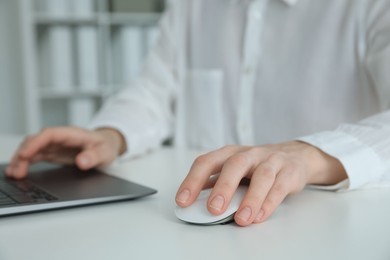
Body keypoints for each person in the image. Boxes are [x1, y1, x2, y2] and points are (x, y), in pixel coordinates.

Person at [6, 0, 390, 227]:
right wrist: (110, 135)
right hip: (186, 228)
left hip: (328, 228)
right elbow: (156, 89)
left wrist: (308, 155)